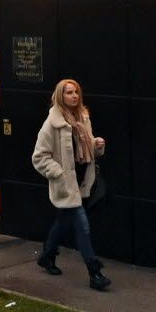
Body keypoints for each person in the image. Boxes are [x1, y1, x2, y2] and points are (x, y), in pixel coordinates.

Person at [31, 78, 110, 291]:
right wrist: (58, 173)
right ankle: (94, 272)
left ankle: (47, 256)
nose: (74, 96)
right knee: (82, 226)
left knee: (63, 221)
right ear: (60, 96)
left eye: (76, 92)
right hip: (67, 184)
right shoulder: (52, 124)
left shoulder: (83, 118)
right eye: (68, 92)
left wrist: (96, 145)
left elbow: (84, 149)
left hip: (83, 180)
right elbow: (39, 157)